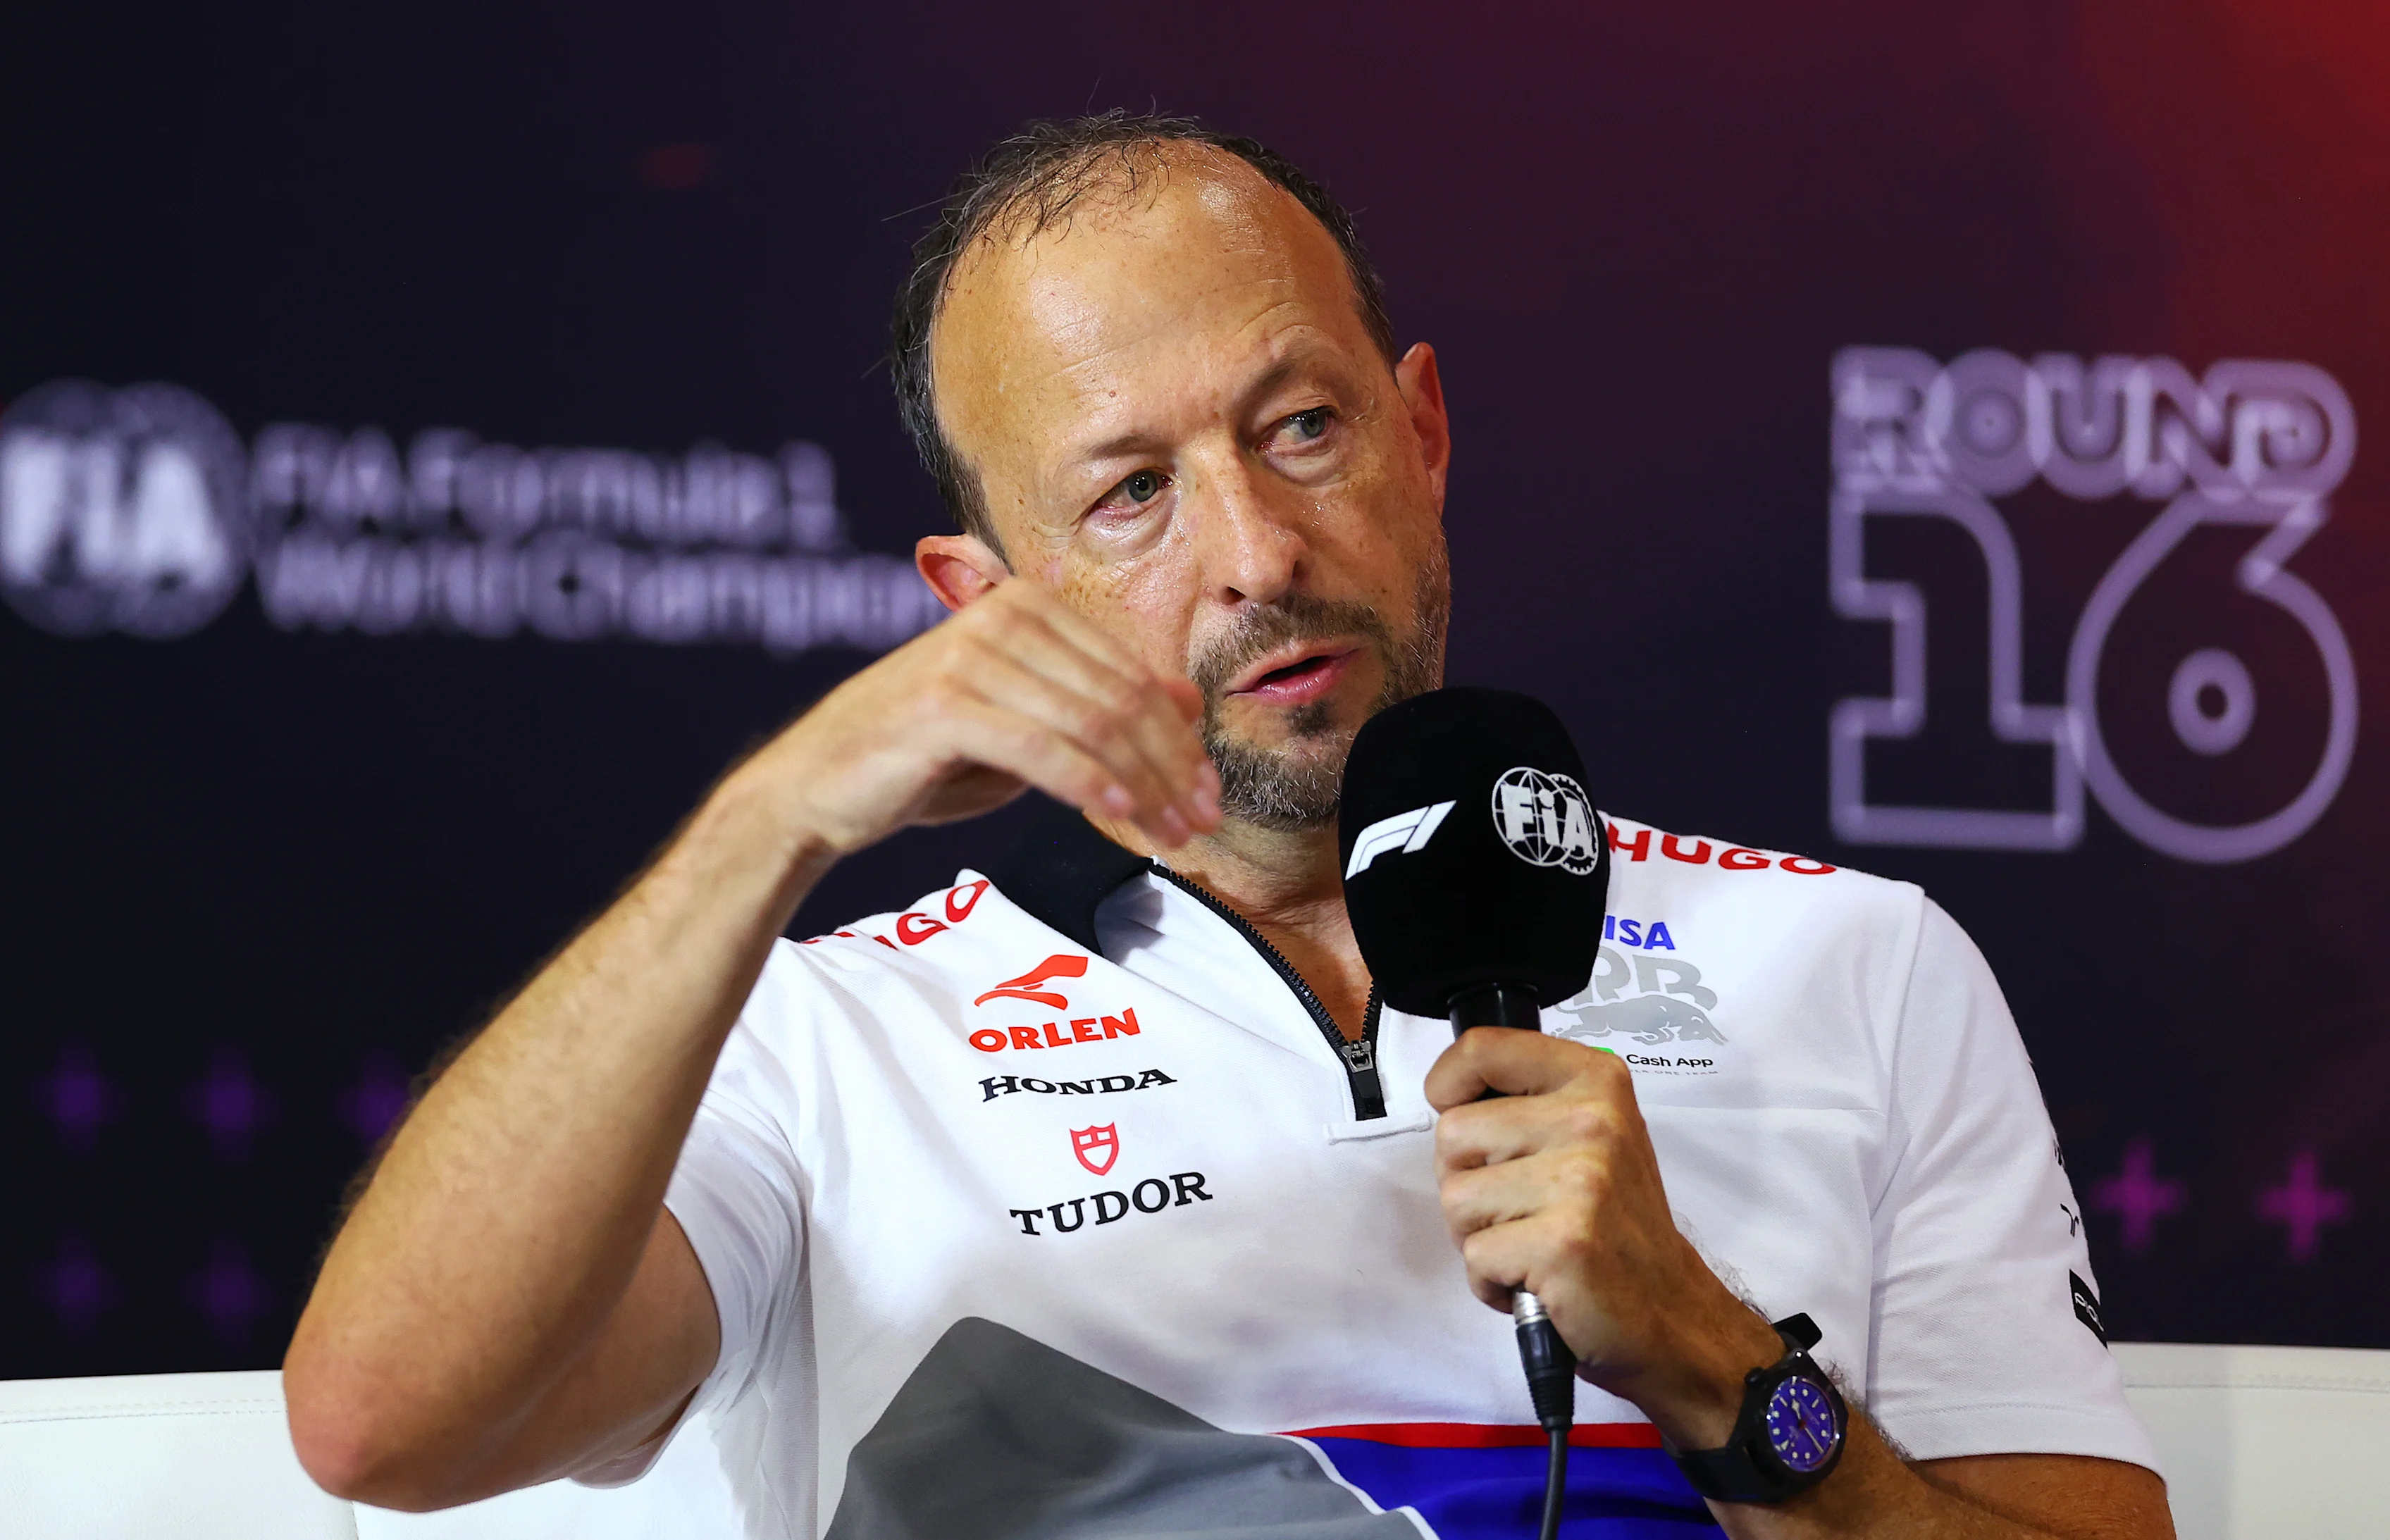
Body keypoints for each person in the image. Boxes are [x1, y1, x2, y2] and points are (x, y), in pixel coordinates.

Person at [285, 114, 2173, 1540]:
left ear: (1422, 437)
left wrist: (1714, 1365)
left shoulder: (1861, 959)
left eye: (1302, 430)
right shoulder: (815, 1044)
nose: (1259, 555)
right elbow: (382, 1426)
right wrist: (764, 827)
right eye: (1129, 497)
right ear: (980, 598)